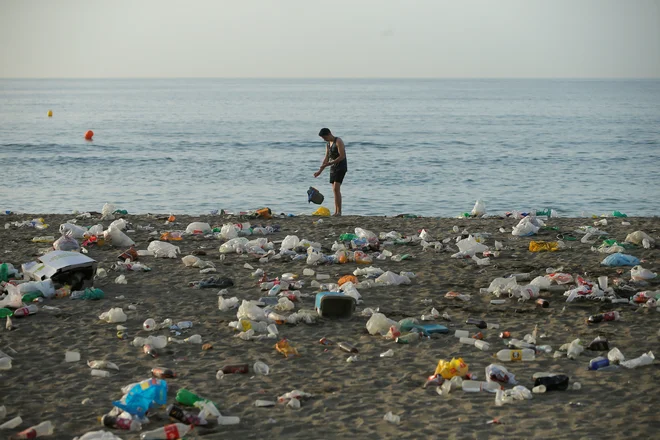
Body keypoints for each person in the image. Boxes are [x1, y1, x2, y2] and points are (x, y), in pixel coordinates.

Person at [314, 128, 347, 216]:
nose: (324, 139)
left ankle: (339, 212)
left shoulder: (338, 141)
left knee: (336, 188)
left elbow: (342, 156)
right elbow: (326, 158)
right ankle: (336, 211)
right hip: (333, 168)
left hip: (341, 167)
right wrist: (319, 171)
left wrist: (330, 163)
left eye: (325, 137)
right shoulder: (328, 144)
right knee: (334, 190)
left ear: (329, 134)